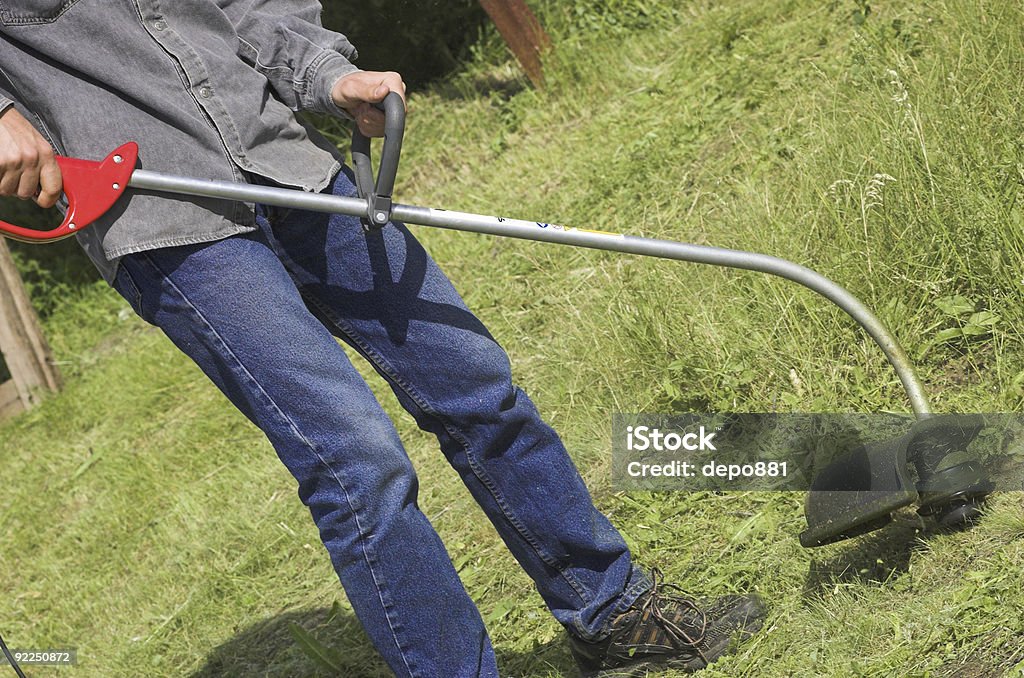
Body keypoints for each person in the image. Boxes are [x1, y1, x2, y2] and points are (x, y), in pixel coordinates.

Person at [0, 2, 764, 676]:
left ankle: (613, 615)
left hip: (279, 158)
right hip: (165, 218)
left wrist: (325, 72)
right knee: (356, 462)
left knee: (475, 384)